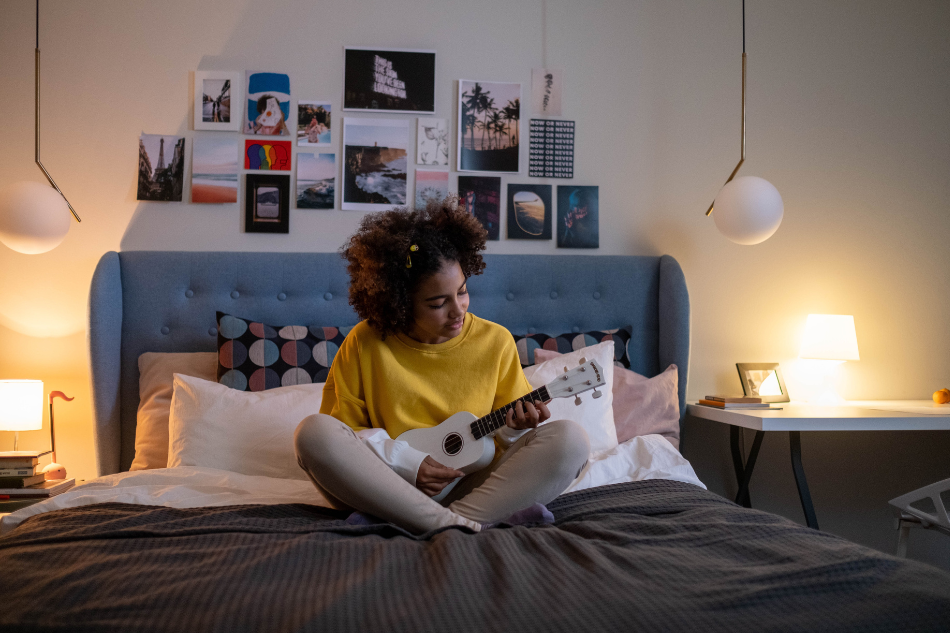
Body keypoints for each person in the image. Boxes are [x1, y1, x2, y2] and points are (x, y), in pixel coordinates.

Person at [294, 197, 589, 534]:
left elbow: (505, 441)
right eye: (438, 303)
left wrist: (516, 426)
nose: (458, 310)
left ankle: (441, 522)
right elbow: (345, 435)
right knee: (313, 433)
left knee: (571, 439)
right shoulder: (366, 342)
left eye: (462, 292)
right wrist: (407, 462)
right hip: (387, 487)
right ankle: (453, 525)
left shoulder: (496, 341)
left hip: (471, 486)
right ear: (400, 302)